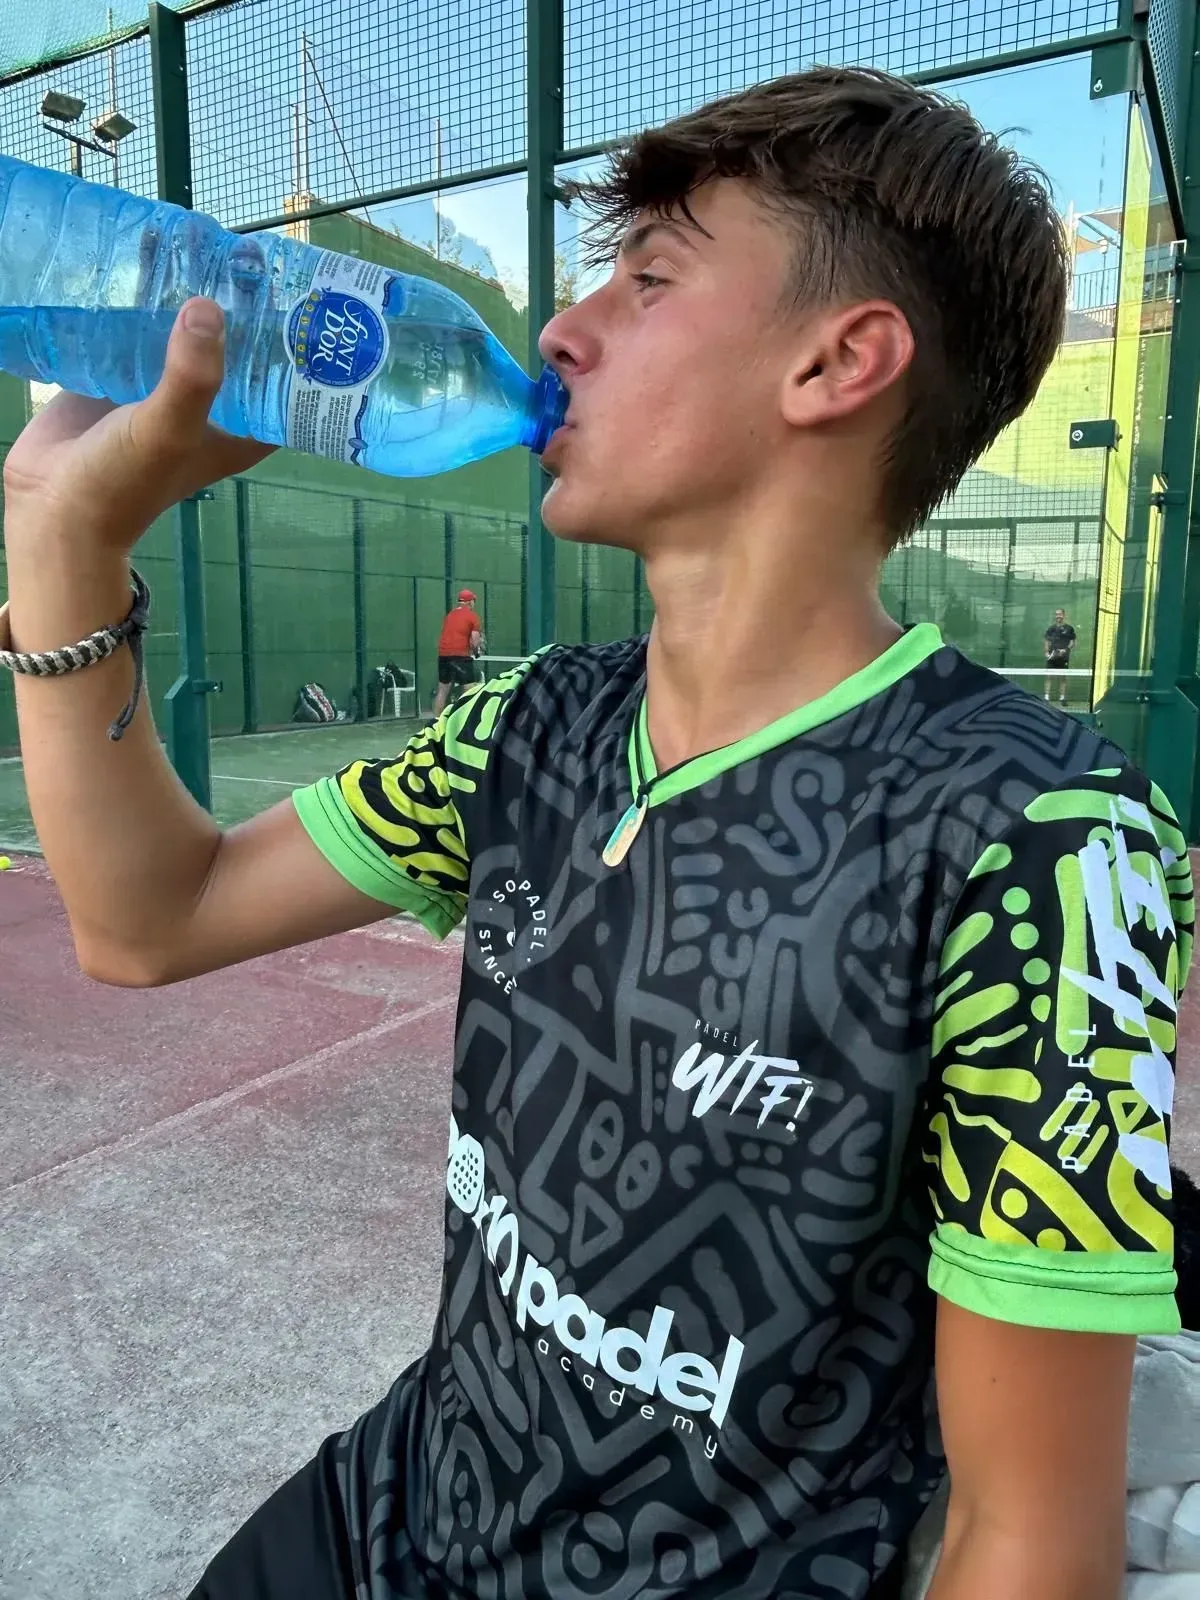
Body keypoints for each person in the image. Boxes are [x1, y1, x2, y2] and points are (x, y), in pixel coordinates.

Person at [1, 66, 1191, 1600]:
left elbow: (1028, 1542)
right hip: (394, 1511)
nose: (564, 331)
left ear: (839, 361)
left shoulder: (1041, 837)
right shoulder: (533, 723)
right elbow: (146, 918)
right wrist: (63, 536)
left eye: (650, 281)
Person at [432, 588, 484, 718]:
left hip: (443, 656)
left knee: (442, 690)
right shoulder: (472, 616)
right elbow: (475, 641)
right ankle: (468, 720)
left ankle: (435, 722)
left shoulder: (450, 615)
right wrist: (477, 651)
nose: (474, 603)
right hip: (460, 657)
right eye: (473, 601)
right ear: (470, 602)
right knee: (470, 690)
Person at [1043, 605, 1077, 704]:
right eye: (1057, 614)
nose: (1058, 616)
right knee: (1049, 676)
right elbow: (1046, 641)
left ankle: (1062, 698)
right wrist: (1046, 652)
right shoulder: (1051, 628)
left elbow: (1072, 642)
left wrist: (1065, 650)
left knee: (1063, 677)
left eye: (1060, 614)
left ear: (1064, 615)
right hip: (1052, 656)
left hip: (1064, 657)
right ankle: (1046, 698)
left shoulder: (1069, 628)